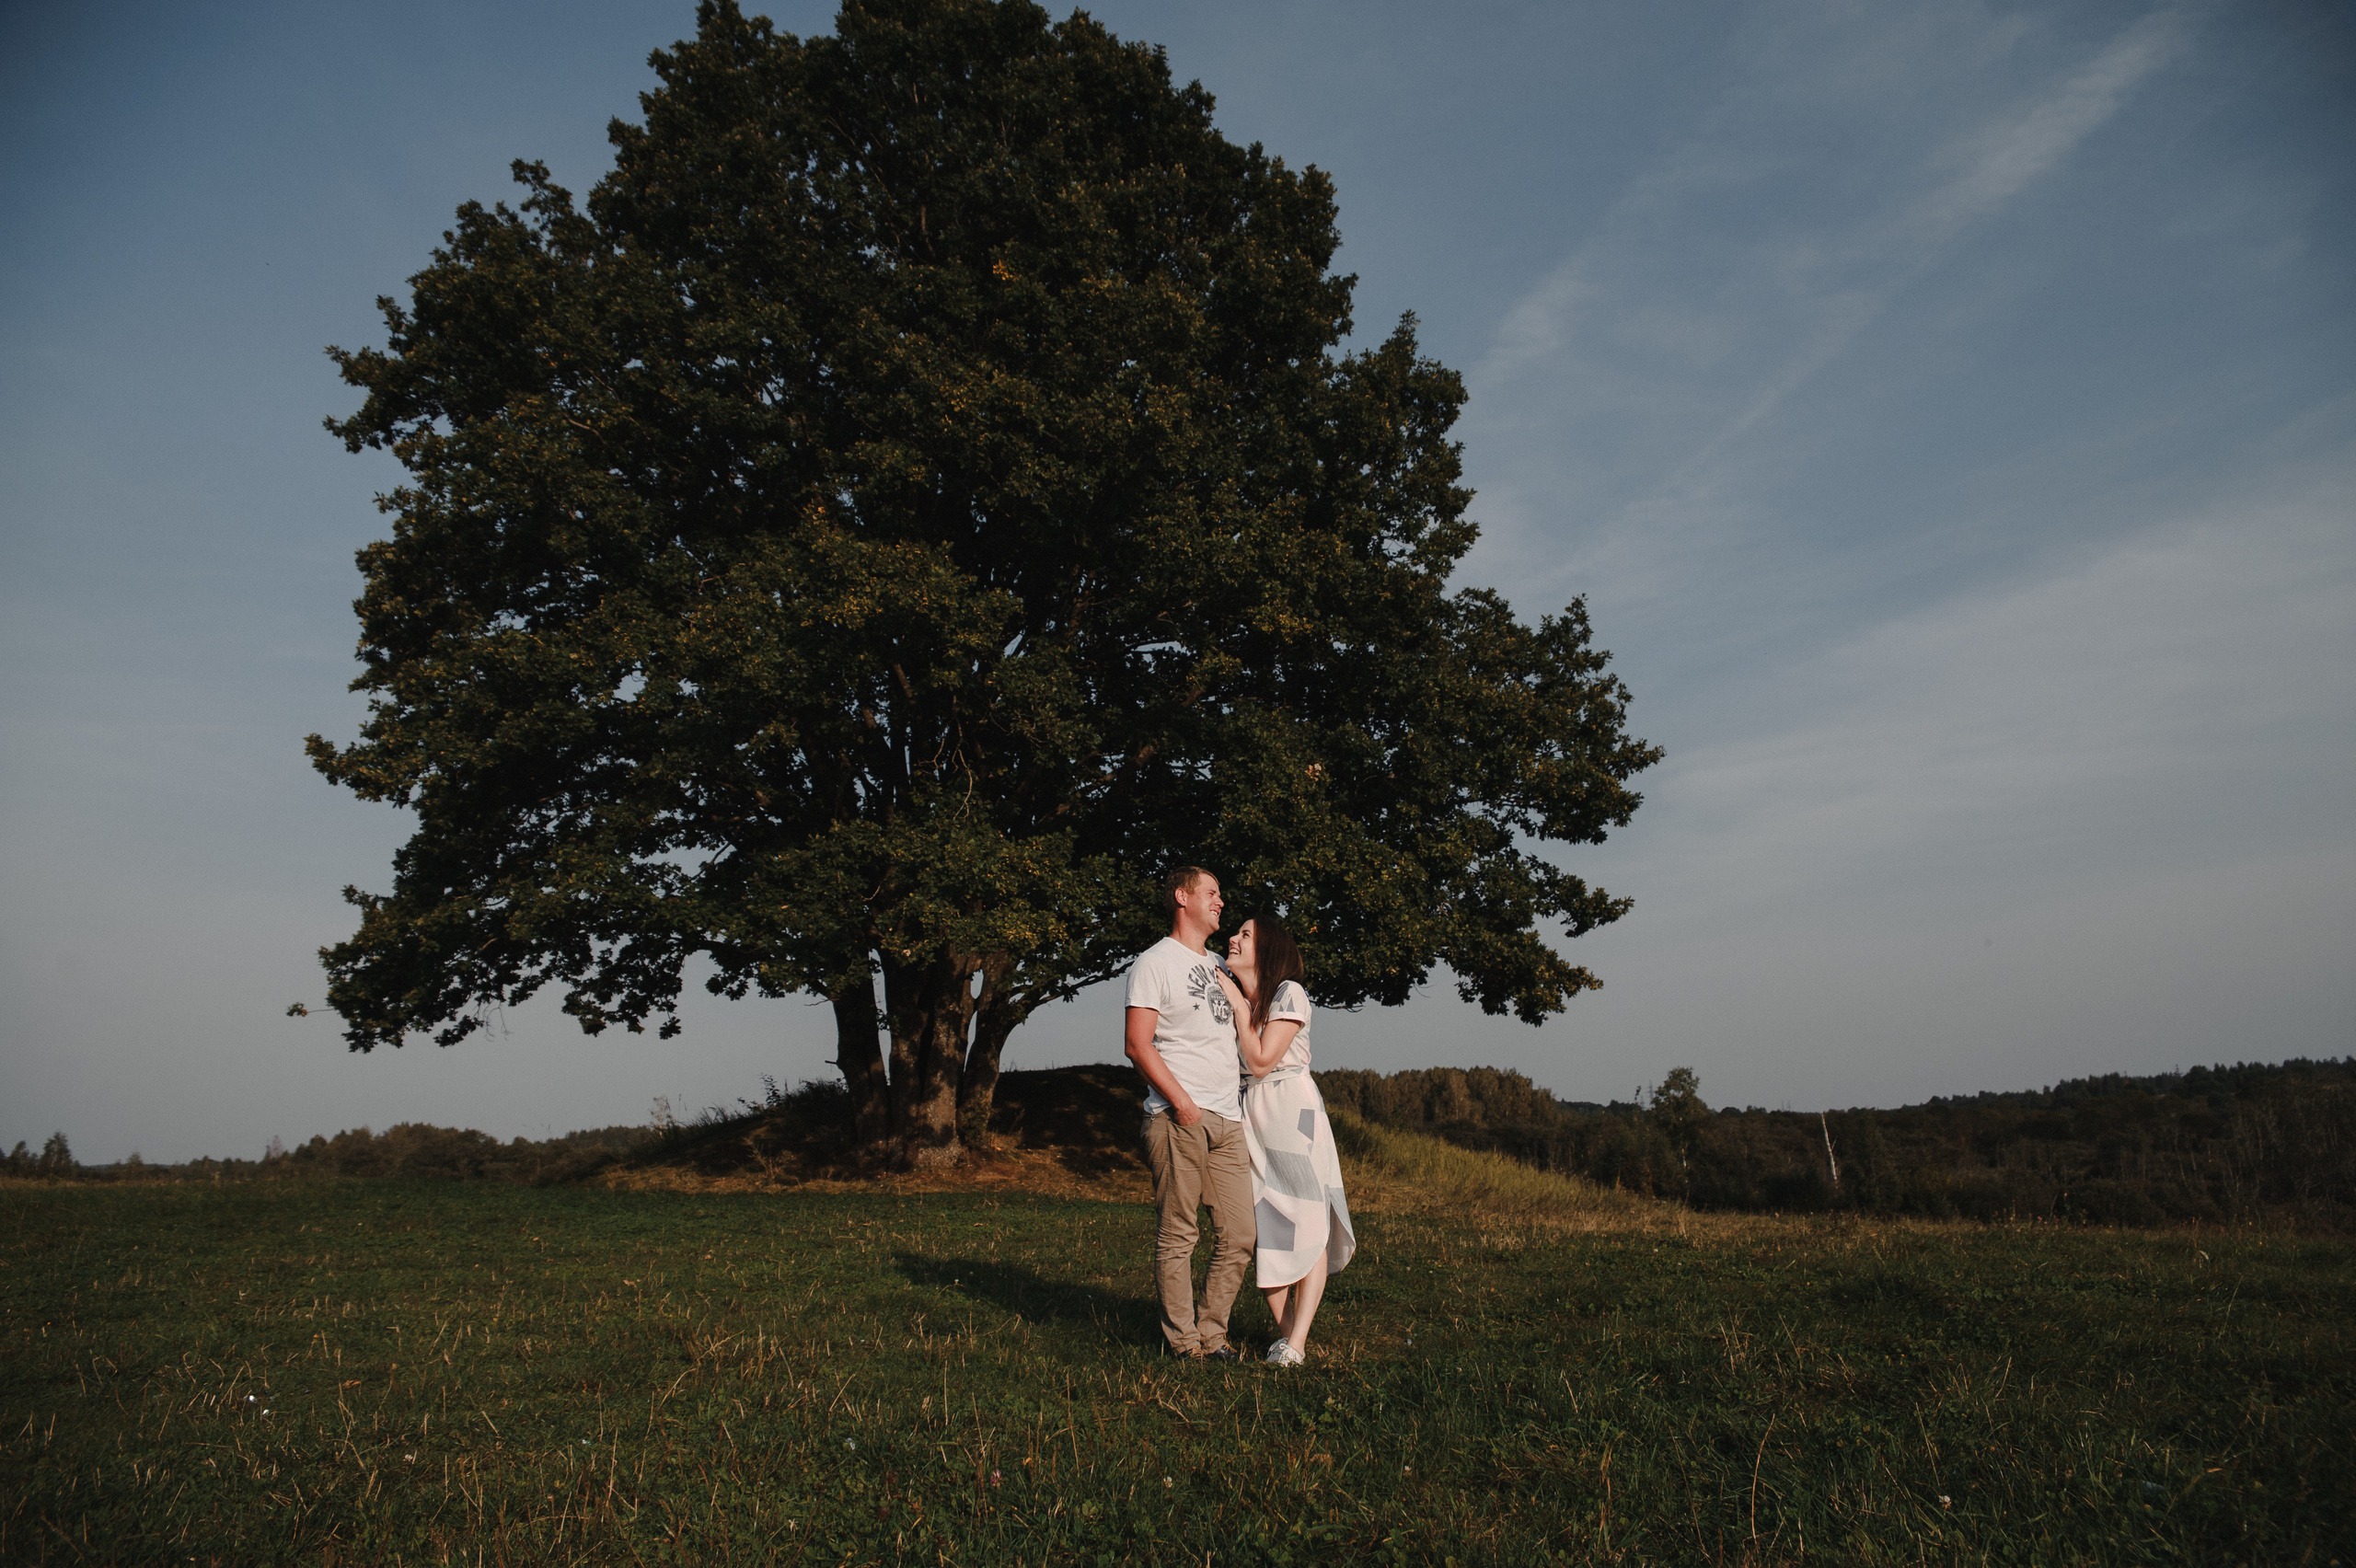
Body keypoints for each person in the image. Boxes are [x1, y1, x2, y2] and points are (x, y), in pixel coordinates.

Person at [1124, 867, 1254, 1360]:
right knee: (1180, 1231)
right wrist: (1182, 1103)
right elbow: (1138, 1045)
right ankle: (1185, 1345)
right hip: (1180, 1115)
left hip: (1228, 1117)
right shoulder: (1154, 963)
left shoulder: (1222, 964)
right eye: (1213, 893)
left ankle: (1213, 1333)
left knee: (1241, 1234)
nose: (1222, 901)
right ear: (1183, 896)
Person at [1216, 917, 1354, 1366]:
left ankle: (1296, 1343)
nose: (1232, 939)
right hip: (1251, 1117)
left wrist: (1237, 1003)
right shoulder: (1239, 994)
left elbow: (1260, 1061)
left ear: (1269, 950)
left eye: (1245, 935)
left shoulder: (1288, 993)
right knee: (1264, 1225)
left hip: (1292, 1113)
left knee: (1309, 1219)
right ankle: (1290, 1338)